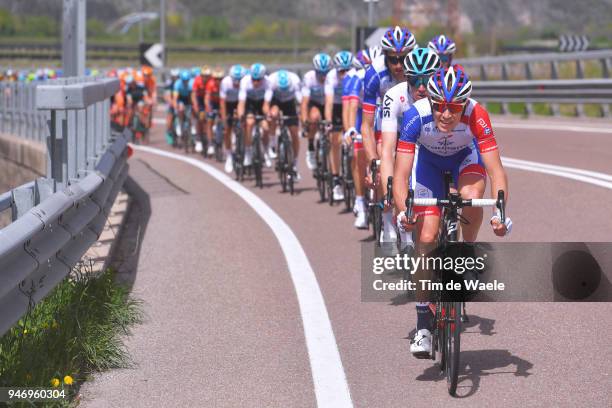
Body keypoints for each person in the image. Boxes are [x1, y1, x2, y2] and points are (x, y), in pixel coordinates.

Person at [392, 65, 513, 357]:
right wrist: (403, 212)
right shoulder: (415, 116)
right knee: (427, 236)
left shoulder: (477, 115)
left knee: (472, 196)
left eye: (455, 107)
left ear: (464, 104)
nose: (446, 114)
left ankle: (467, 251)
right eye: (440, 106)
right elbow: (400, 174)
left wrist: (499, 213)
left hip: (465, 160)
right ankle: (423, 325)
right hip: (429, 166)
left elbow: (496, 171)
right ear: (431, 102)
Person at [379, 47, 440, 246]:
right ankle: (400, 229)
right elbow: (387, 149)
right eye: (415, 80)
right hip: (403, 141)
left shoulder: (443, 99)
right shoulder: (394, 96)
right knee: (401, 172)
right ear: (406, 77)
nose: (421, 87)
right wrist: (389, 184)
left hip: (433, 145)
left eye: (427, 80)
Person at [362, 26, 417, 242]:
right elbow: (366, 125)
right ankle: (387, 221)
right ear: (385, 56)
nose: (398, 65)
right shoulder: (374, 74)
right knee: (384, 159)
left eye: (403, 58)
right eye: (393, 59)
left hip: (411, 122)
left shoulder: (419, 71)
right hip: (384, 124)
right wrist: (373, 161)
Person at [324, 50, 355, 201]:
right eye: (341, 71)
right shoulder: (331, 77)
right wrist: (329, 122)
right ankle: (336, 178)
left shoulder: (356, 76)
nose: (344, 74)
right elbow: (329, 102)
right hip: (337, 106)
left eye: (347, 70)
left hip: (350, 105)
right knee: (335, 140)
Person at [264, 69, 302, 179]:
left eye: (286, 89)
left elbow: (301, 101)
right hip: (276, 101)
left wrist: (302, 115)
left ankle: (294, 163)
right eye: (282, 90)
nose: (284, 92)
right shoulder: (271, 81)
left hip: (290, 103)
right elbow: (266, 103)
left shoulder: (295, 80)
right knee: (273, 114)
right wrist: (268, 115)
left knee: (294, 133)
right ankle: (272, 142)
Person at [301, 53, 331, 170]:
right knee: (314, 117)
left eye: (325, 73)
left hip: (329, 103)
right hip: (314, 103)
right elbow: (304, 103)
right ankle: (311, 148)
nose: (323, 76)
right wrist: (305, 122)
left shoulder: (332, 77)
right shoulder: (309, 78)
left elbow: (333, 101)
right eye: (320, 73)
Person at [237, 63, 270, 167]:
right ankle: (248, 152)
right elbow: (241, 102)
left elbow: (266, 104)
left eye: (258, 80)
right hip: (250, 104)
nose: (255, 82)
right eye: (253, 79)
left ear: (263, 77)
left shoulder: (268, 82)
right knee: (249, 123)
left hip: (261, 104)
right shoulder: (245, 81)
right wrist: (241, 115)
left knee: (266, 127)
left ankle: (265, 151)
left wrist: (267, 115)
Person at [220, 64, 245, 173]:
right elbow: (222, 103)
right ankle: (229, 156)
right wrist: (224, 119)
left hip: (242, 103)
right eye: (235, 80)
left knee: (246, 124)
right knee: (226, 131)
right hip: (229, 104)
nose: (237, 83)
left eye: (239, 80)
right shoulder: (225, 82)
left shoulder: (246, 82)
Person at [204, 68, 224, 157]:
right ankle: (210, 144)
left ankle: (221, 139)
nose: (218, 81)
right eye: (216, 79)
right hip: (212, 103)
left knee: (223, 120)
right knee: (209, 121)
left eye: (220, 79)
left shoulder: (224, 85)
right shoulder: (210, 84)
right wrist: (208, 109)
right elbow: (207, 98)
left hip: (221, 103)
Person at [164, 69, 180, 145]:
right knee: (170, 117)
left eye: (177, 77)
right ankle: (169, 131)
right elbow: (167, 95)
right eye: (174, 77)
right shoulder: (169, 83)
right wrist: (171, 102)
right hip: (170, 100)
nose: (175, 78)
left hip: (179, 101)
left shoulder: (180, 83)